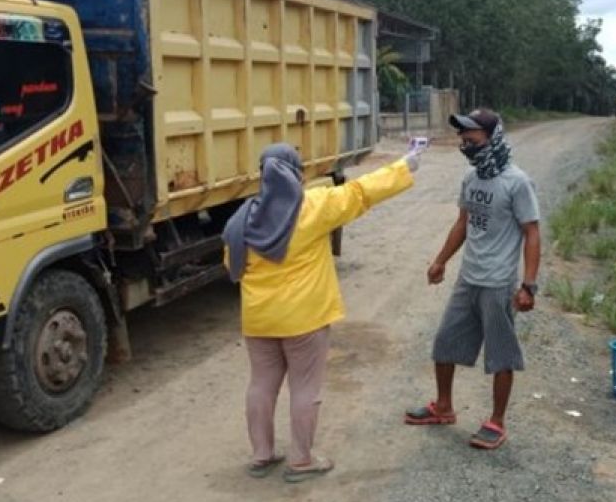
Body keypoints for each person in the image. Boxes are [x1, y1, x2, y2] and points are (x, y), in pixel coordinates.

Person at [224, 142, 422, 483]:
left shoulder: (242, 218)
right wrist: (405, 166)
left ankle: (261, 455)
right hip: (304, 319)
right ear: (297, 175)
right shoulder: (313, 206)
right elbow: (361, 192)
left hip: (258, 319)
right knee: (305, 389)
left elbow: (231, 265)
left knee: (261, 385)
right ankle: (301, 460)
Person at [404, 109, 541, 450]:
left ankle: (497, 421)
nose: (466, 145)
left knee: (501, 355)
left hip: (498, 283)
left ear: (492, 138)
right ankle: (444, 406)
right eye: (463, 139)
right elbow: (463, 223)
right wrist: (440, 261)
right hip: (469, 277)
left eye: (472, 138)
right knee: (445, 343)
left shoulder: (517, 182)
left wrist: (528, 285)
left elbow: (532, 233)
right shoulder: (473, 179)